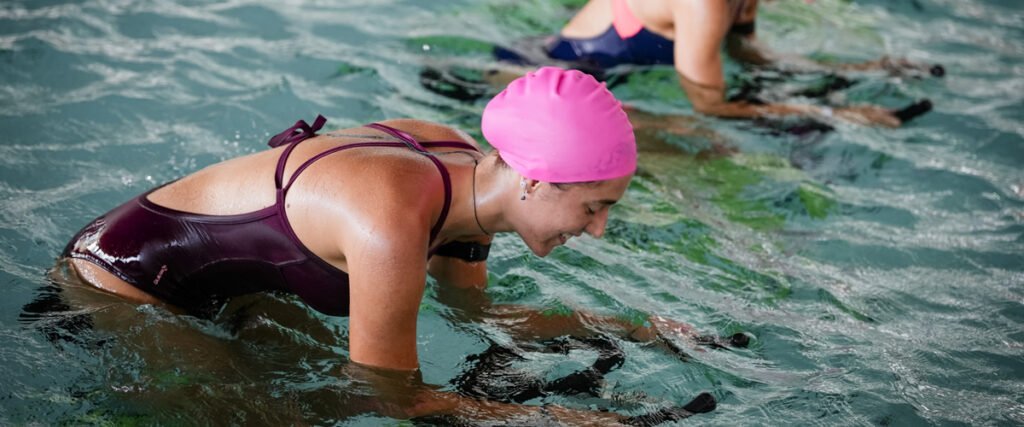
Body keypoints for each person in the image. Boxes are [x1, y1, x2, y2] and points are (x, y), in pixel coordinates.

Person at [56, 66, 713, 424]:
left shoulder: (466, 174)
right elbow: (389, 398)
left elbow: (475, 312)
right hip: (120, 278)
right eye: (594, 207)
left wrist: (638, 329)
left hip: (223, 279)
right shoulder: (395, 219)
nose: (598, 229)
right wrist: (566, 421)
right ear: (535, 182)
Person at [493, 0, 938, 127]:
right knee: (701, 141)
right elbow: (710, 105)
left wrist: (865, 69)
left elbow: (748, 54)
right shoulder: (705, 5)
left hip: (615, 76)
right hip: (540, 76)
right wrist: (834, 113)